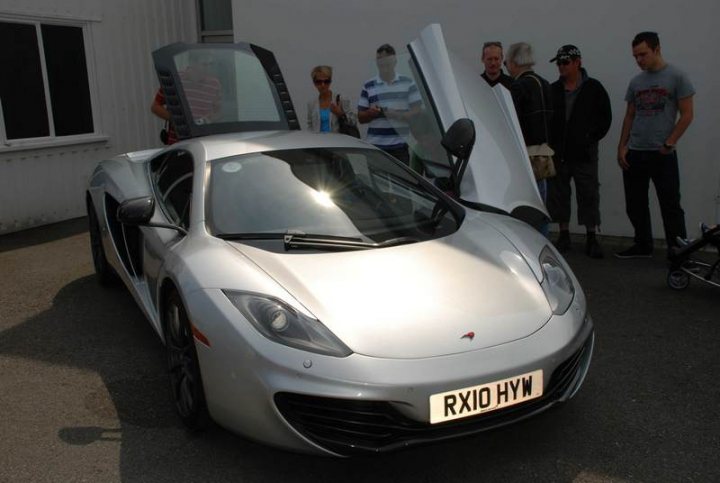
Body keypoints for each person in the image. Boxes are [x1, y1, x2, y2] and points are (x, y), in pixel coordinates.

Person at [615, 31, 695, 259]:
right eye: (635, 56)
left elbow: (687, 114)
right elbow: (630, 115)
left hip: (662, 153)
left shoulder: (677, 76)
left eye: (643, 54)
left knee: (670, 204)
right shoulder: (636, 82)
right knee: (635, 203)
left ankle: (678, 251)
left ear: (657, 49)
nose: (639, 60)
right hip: (636, 151)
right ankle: (642, 244)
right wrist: (622, 146)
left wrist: (669, 143)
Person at [547, 45, 612, 258]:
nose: (561, 67)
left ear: (577, 63)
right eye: (558, 63)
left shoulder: (594, 88)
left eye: (565, 63)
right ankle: (563, 234)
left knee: (589, 193)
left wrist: (589, 138)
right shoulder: (554, 89)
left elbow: (605, 118)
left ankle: (591, 237)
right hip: (560, 152)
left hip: (584, 153)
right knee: (559, 193)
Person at [505, 42, 553, 236]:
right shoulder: (545, 83)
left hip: (526, 153)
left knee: (527, 205)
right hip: (545, 152)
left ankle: (531, 242)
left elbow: (510, 119)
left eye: (507, 62)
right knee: (542, 202)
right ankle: (543, 238)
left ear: (515, 62)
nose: (506, 67)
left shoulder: (519, 86)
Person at [358, 44, 422, 165]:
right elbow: (360, 117)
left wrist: (394, 114)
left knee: (403, 183)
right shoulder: (368, 85)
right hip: (375, 147)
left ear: (394, 61)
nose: (383, 66)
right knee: (376, 184)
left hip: (400, 146)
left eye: (387, 62)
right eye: (380, 62)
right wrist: (370, 113)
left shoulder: (407, 83)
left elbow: (417, 113)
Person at [151, 52, 222, 144]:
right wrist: (177, 120)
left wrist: (208, 120)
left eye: (210, 64)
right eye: (204, 64)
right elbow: (155, 107)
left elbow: (218, 111)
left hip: (204, 141)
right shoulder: (175, 79)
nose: (208, 68)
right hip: (178, 142)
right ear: (192, 63)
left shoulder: (214, 84)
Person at [306, 65, 355, 133]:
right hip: (318, 142)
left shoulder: (341, 99)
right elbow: (310, 125)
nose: (323, 85)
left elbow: (353, 121)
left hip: (337, 142)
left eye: (326, 81)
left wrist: (340, 114)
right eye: (319, 82)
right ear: (314, 83)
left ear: (330, 81)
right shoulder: (311, 103)